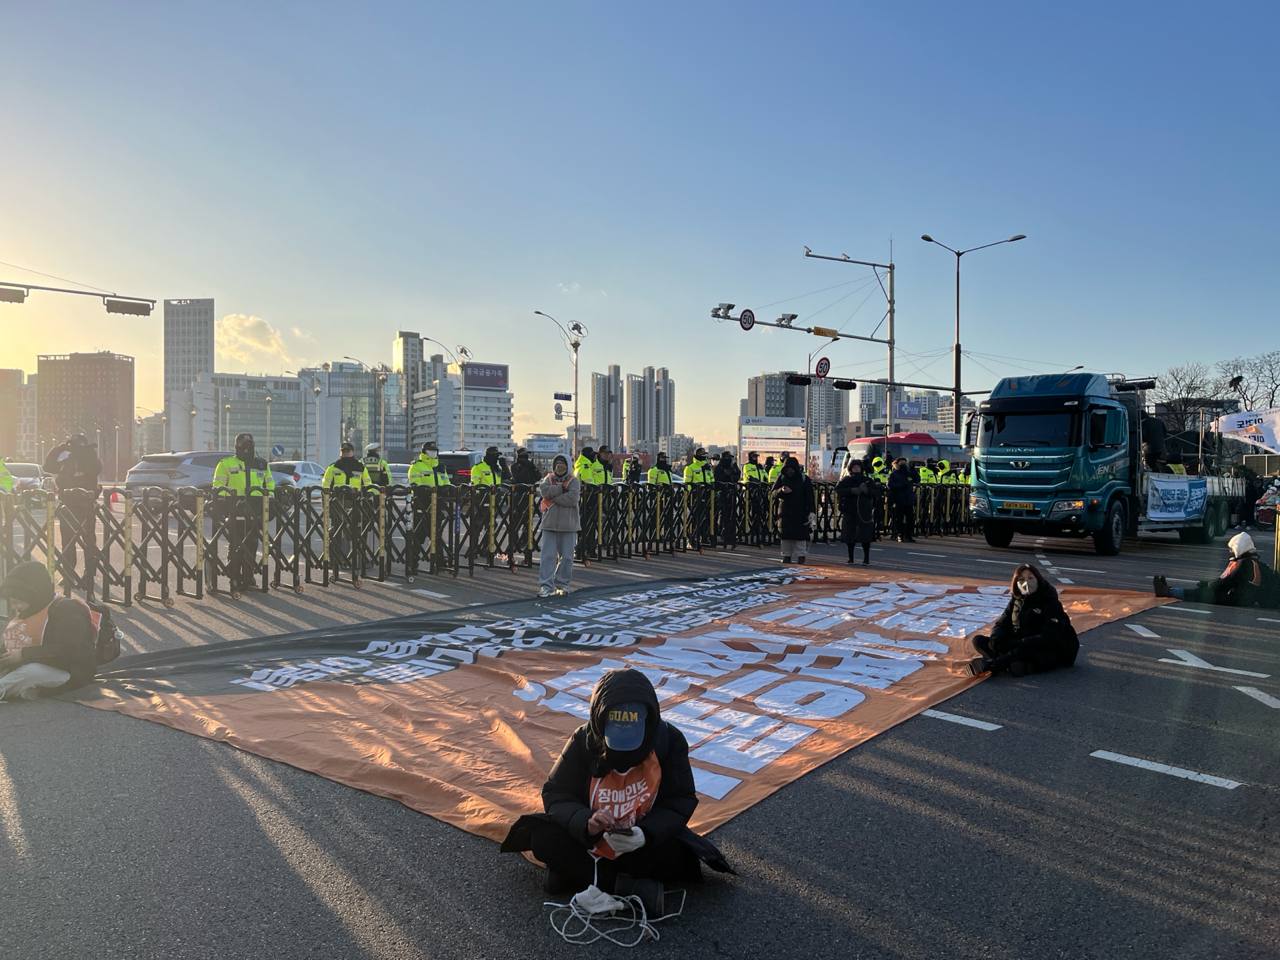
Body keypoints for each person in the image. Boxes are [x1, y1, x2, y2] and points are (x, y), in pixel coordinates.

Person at [501, 668, 730, 906]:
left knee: (680, 855)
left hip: (640, 840)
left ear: (648, 721)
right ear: (600, 722)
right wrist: (586, 822)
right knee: (542, 837)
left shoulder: (669, 741)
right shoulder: (583, 740)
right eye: (616, 733)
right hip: (590, 839)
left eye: (633, 733)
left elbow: (680, 800)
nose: (626, 745)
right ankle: (623, 886)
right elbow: (555, 793)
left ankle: (577, 875)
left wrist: (645, 834)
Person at [0, 561, 97, 701]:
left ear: (34, 596)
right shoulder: (28, 610)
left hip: (71, 671)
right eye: (12, 602)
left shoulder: (67, 609)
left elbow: (69, 650)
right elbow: (12, 643)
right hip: (34, 663)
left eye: (18, 602)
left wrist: (23, 655)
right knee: (23, 671)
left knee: (30, 672)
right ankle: (27, 689)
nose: (15, 607)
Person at [966, 563, 1079, 677]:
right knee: (979, 641)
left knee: (1021, 658)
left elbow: (1048, 637)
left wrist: (1019, 644)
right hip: (1020, 641)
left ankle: (994, 664)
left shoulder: (1049, 601)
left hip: (1046, 647)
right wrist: (996, 637)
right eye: (1021, 579)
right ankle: (1005, 662)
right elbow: (1002, 622)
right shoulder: (1017, 599)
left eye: (1030, 578)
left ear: (1038, 580)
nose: (1026, 583)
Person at [212, 433, 275, 591]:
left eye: (249, 445)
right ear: (237, 447)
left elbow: (270, 486)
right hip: (235, 505)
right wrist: (223, 506)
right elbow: (218, 487)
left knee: (253, 542)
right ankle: (234, 577)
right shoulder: (225, 463)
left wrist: (271, 504)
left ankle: (248, 576)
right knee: (236, 542)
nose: (246, 448)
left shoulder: (262, 464)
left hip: (256, 506)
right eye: (243, 445)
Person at [43, 433, 102, 596]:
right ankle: (68, 573)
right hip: (67, 503)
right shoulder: (65, 456)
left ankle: (89, 574)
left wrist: (82, 453)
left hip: (86, 503)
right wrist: (59, 449)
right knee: (67, 541)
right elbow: (48, 467)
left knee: (88, 540)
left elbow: (95, 469)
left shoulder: (89, 456)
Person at [1154, 532, 1280, 608]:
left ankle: (1169, 592)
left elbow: (1224, 582)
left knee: (1202, 594)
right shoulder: (1253, 562)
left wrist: (1207, 585)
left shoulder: (1242, 564)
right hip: (1243, 597)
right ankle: (1170, 590)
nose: (1230, 552)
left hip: (1237, 599)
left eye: (1232, 549)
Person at [322, 442, 373, 568]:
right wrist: (326, 503)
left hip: (355, 502)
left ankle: (357, 559)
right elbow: (325, 486)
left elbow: (368, 485)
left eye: (347, 451)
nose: (345, 453)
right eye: (343, 451)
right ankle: (336, 558)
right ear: (341, 452)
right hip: (338, 501)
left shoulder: (360, 467)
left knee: (356, 531)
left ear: (352, 451)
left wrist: (369, 500)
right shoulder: (333, 467)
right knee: (337, 530)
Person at [406, 441, 452, 576]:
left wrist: (446, 490)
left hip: (438, 505)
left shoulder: (440, 467)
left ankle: (440, 563)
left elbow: (446, 483)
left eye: (435, 450)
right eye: (431, 450)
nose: (434, 452)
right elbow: (415, 484)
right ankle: (412, 564)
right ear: (424, 452)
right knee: (419, 536)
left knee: (436, 535)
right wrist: (427, 491)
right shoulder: (417, 466)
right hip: (422, 505)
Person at [538, 454, 580, 597]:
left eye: (563, 464)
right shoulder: (548, 479)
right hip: (549, 523)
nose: (560, 467)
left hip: (569, 525)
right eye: (557, 464)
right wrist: (561, 489)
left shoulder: (574, 481)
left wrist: (553, 495)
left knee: (567, 557)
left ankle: (563, 584)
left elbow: (572, 499)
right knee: (547, 556)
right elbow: (544, 491)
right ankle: (546, 586)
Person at [835, 457, 878, 565]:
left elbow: (876, 493)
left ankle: (866, 558)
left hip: (864, 511)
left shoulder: (867, 480)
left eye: (858, 467)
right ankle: (851, 558)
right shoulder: (846, 480)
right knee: (850, 536)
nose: (856, 469)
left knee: (865, 536)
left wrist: (867, 491)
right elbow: (838, 490)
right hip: (850, 510)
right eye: (854, 467)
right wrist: (851, 491)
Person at [773, 456, 813, 563]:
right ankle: (786, 556)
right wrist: (781, 491)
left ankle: (801, 556)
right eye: (787, 469)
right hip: (785, 512)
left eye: (791, 468)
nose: (789, 471)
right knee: (785, 537)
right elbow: (772, 493)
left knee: (800, 537)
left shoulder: (804, 479)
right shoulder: (781, 478)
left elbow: (810, 497)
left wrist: (811, 512)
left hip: (801, 512)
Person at [713, 451, 740, 548]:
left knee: (731, 515)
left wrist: (732, 473)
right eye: (727, 457)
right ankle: (722, 534)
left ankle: (730, 536)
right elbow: (717, 479)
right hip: (722, 493)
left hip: (731, 493)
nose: (729, 459)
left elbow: (737, 475)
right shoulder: (719, 467)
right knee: (722, 514)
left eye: (730, 457)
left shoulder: (733, 466)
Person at [887, 457, 916, 543]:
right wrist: (901, 485)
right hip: (899, 499)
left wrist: (913, 470)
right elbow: (890, 485)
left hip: (908, 500)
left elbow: (917, 479)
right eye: (902, 463)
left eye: (905, 463)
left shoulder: (909, 473)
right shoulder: (894, 474)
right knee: (898, 519)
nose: (903, 464)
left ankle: (908, 535)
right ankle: (899, 534)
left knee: (910, 519)